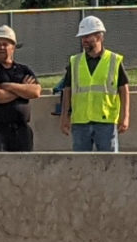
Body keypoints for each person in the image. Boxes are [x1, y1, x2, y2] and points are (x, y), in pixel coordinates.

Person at [55, 13, 130, 152]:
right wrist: (64, 117)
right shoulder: (75, 61)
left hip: (106, 122)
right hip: (80, 122)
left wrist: (125, 117)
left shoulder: (114, 60)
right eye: (82, 37)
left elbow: (123, 90)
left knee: (109, 164)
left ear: (100, 37)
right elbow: (67, 90)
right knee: (81, 166)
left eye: (88, 36)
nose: (84, 40)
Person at [0, 23, 41, 152]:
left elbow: (35, 91)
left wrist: (9, 86)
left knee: (25, 167)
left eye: (5, 44)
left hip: (22, 130)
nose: (1, 47)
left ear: (13, 47)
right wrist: (23, 90)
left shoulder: (23, 70)